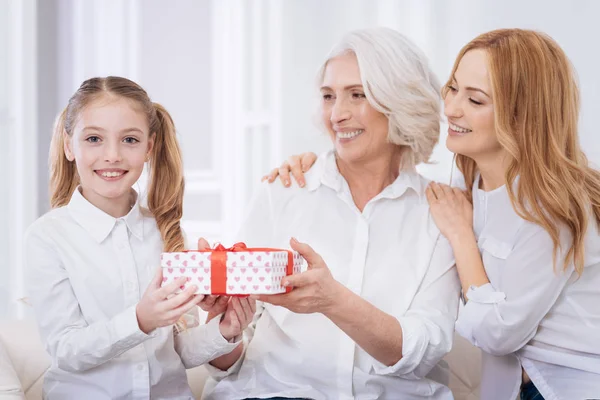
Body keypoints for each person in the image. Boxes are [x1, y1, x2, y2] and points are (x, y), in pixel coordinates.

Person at [272, 28, 600, 400]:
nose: (452, 108)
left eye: (475, 100)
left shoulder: (551, 208)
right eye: (453, 88)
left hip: (570, 385)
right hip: (517, 385)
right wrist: (318, 164)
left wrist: (462, 237)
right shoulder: (468, 179)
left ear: (523, 116)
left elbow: (497, 334)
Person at [202, 27, 460, 400]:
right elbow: (232, 360)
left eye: (357, 95)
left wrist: (333, 301)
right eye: (328, 96)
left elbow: (420, 353)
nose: (337, 114)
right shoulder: (283, 191)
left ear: (399, 100)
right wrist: (223, 331)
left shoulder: (439, 213)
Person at [24, 76, 255, 399]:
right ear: (68, 145)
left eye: (129, 140)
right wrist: (140, 320)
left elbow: (173, 352)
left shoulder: (167, 234)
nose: (112, 155)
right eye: (94, 138)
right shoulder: (47, 238)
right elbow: (66, 349)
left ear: (149, 147)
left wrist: (224, 331)